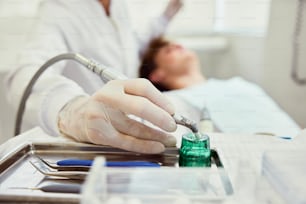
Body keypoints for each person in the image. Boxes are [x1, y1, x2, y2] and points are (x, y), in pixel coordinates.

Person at [5, 0, 183, 154]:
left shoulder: (118, 6)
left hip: (125, 144)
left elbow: (130, 45)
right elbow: (24, 75)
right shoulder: (58, 10)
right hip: (89, 149)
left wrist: (167, 15)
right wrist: (72, 110)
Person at [139, 37, 301, 136]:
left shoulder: (240, 84)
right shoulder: (170, 102)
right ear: (156, 75)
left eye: (177, 44)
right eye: (169, 50)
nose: (178, 46)